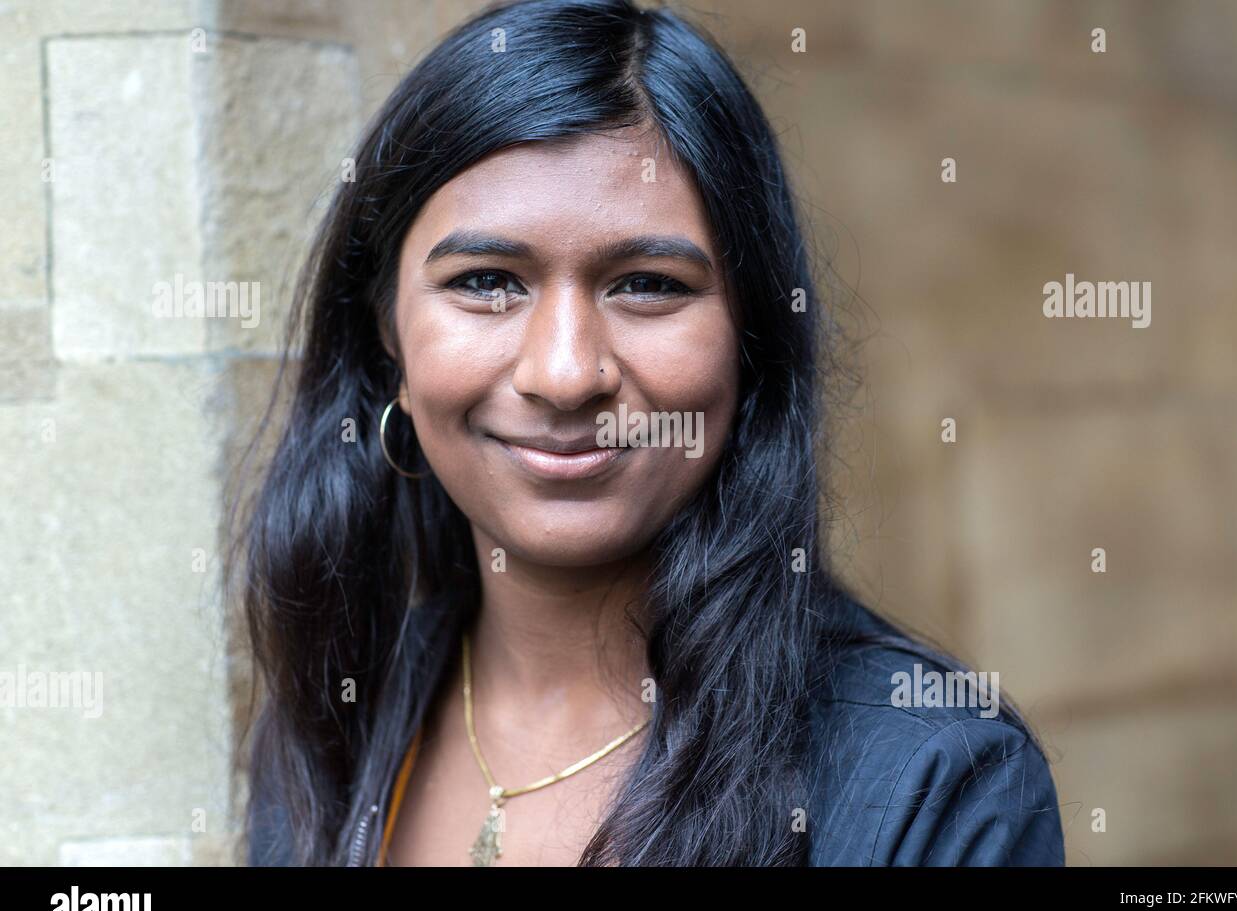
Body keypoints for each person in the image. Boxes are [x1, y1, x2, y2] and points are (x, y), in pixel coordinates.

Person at [235, 0, 1065, 867]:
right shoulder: (337, 722)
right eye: (486, 281)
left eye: (647, 285)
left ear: (751, 340)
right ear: (387, 331)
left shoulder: (931, 780)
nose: (562, 373)